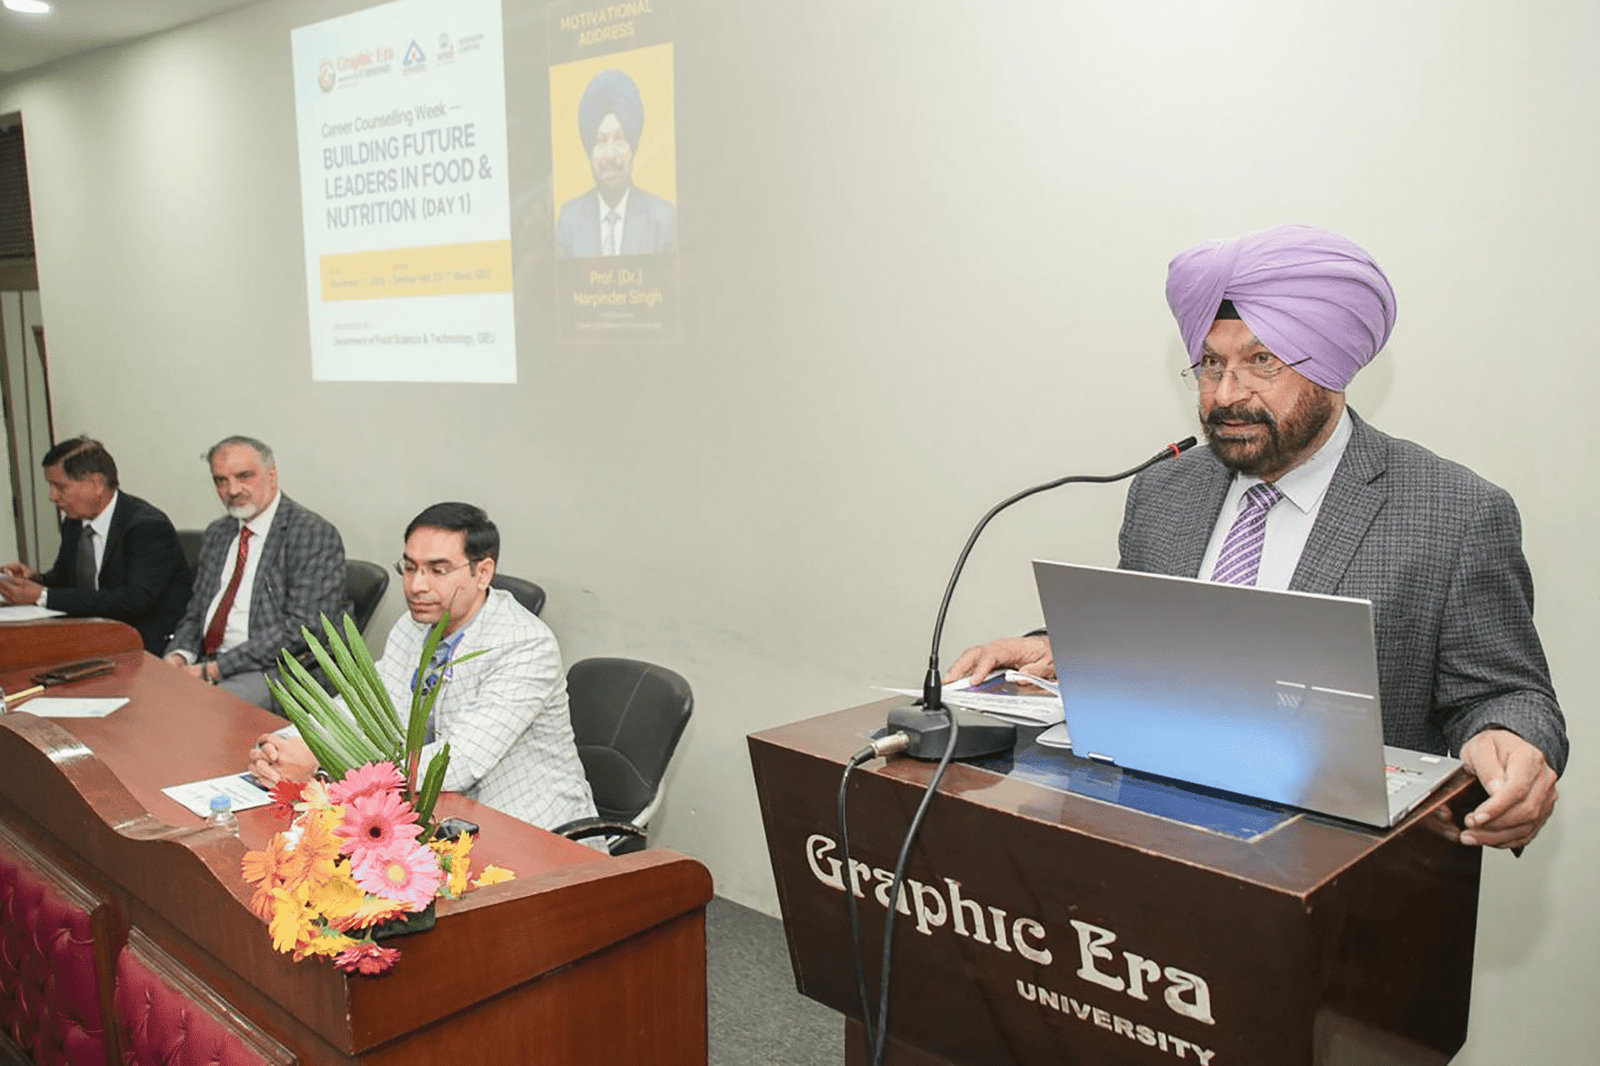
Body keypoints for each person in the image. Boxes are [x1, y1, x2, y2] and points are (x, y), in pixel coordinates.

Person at [947, 223, 1566, 851]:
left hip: (1346, 864)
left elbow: (1504, 694)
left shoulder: (1456, 512)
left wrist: (1512, 741)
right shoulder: (1164, 491)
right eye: (1211, 364)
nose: (1225, 395)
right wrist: (1057, 649)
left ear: (1331, 365)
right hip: (1150, 842)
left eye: (1261, 361)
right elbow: (1148, 644)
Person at [248, 503, 596, 833]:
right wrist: (288, 745)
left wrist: (322, 761)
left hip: (531, 829)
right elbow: (367, 706)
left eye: (438, 570)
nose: (416, 586)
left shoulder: (525, 644)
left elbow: (458, 762)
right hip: (443, 813)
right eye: (410, 568)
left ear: (483, 573)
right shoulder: (413, 626)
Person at [163, 436, 349, 709]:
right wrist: (178, 656)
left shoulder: (312, 533)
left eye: (244, 476)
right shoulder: (218, 533)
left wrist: (213, 670)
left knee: (196, 709)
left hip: (280, 669)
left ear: (271, 475)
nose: (232, 490)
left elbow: (302, 630)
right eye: (221, 480)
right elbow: (197, 611)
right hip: (209, 661)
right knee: (150, 694)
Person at [0, 437, 189, 654]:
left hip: (144, 642)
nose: (52, 497)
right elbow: (66, 581)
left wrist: (42, 596)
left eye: (60, 487)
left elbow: (134, 600)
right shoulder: (73, 523)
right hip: (91, 636)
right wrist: (34, 580)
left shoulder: (147, 526)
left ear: (96, 484)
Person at [555, 68, 676, 258]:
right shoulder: (569, 222)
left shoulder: (663, 221)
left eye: (619, 139)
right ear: (590, 150)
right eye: (601, 140)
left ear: (633, 147)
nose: (610, 154)